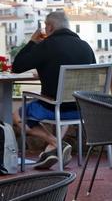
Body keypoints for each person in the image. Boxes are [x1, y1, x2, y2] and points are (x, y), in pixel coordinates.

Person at [12, 10, 96, 169]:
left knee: (18, 114)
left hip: (54, 108)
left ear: (49, 27)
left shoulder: (46, 46)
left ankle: (55, 144)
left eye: (45, 26)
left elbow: (17, 67)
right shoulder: (86, 47)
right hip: (81, 109)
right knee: (63, 100)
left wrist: (32, 42)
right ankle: (51, 151)